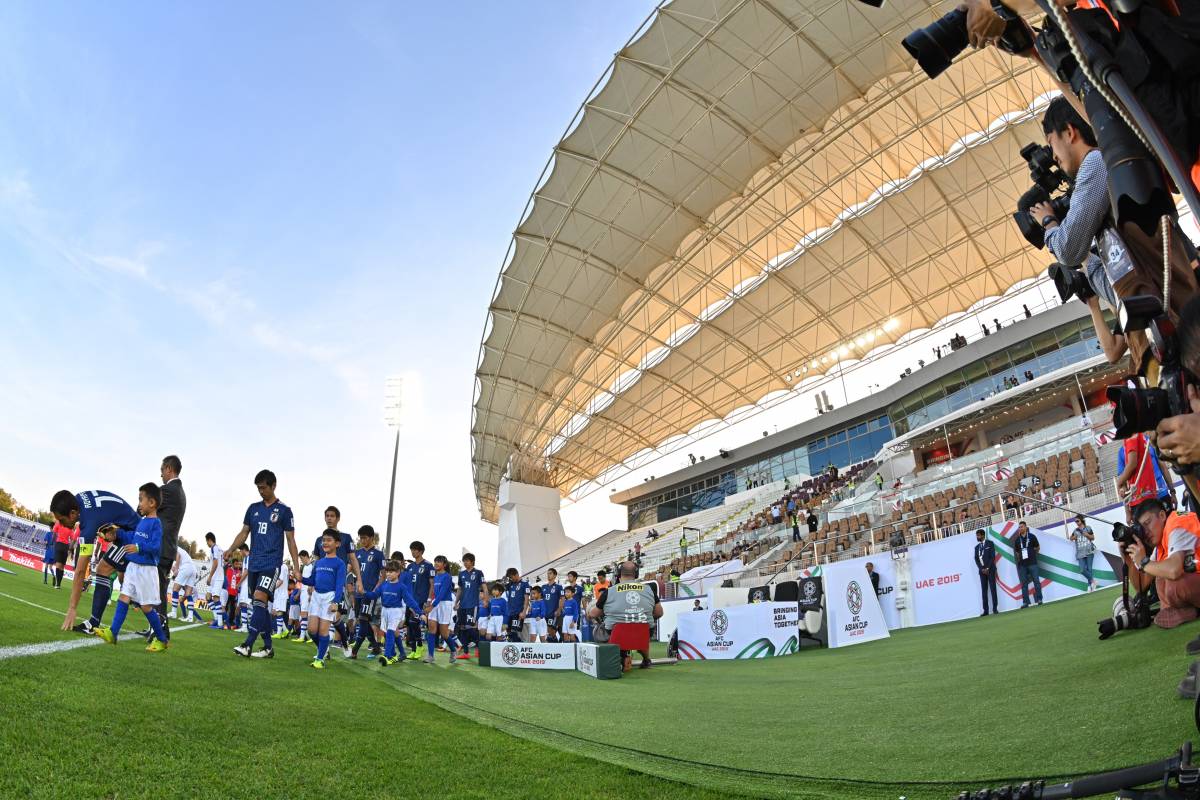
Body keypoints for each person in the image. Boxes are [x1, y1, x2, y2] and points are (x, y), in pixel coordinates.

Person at [225, 469, 300, 659]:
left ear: (273, 486)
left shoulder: (284, 511)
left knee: (259, 597)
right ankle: (268, 647)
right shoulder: (253, 508)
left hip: (271, 563)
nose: (261, 491)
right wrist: (230, 549)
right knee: (260, 604)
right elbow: (244, 533)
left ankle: (248, 644)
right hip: (254, 564)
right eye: (258, 488)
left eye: (264, 488)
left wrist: (297, 567)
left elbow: (291, 541)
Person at [51, 488, 141, 634]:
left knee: (103, 570)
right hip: (128, 532)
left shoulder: (88, 523)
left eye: (62, 520)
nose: (60, 524)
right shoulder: (78, 500)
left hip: (134, 536)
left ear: (73, 513)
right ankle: (95, 622)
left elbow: (80, 571)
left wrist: (72, 608)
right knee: (118, 576)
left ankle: (94, 623)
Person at [95, 483, 170, 652]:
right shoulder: (142, 522)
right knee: (123, 597)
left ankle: (162, 639)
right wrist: (115, 534)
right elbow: (132, 536)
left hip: (146, 570)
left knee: (146, 607)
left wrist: (139, 548)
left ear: (152, 503)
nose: (139, 504)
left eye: (141, 500)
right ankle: (112, 633)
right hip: (133, 567)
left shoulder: (155, 523)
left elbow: (156, 546)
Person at [589, 560, 662, 672]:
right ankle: (646, 659)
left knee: (600, 627)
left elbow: (593, 614)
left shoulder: (609, 591)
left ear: (618, 574)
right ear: (636, 574)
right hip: (643, 633)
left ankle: (619, 656)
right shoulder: (649, 589)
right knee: (642, 628)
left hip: (617, 633)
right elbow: (659, 613)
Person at [358, 559, 421, 666]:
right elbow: (374, 595)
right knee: (390, 633)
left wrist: (420, 612)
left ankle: (387, 655)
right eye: (387, 571)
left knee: (391, 632)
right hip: (385, 611)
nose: (388, 574)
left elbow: (409, 600)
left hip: (396, 611)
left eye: (391, 572)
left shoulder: (402, 587)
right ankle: (401, 653)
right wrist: (364, 593)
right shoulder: (383, 585)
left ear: (398, 572)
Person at [301, 530, 347, 669]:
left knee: (323, 631)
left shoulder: (340, 563)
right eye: (324, 540)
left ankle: (320, 660)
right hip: (316, 597)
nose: (325, 543)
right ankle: (324, 649)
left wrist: (336, 602)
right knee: (311, 630)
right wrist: (300, 578)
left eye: (329, 540)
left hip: (330, 597)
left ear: (337, 543)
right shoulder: (319, 562)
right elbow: (312, 581)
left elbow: (340, 585)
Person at [153, 455, 186, 643]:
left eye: (161, 469)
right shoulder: (180, 492)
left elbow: (146, 507)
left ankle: (161, 632)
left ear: (168, 469)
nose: (160, 474)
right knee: (156, 589)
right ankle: (155, 628)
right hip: (168, 547)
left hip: (160, 547)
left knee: (156, 591)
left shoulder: (168, 490)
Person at [350, 525, 385, 659]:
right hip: (358, 593)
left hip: (370, 593)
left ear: (371, 538)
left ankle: (355, 650)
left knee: (363, 619)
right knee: (363, 621)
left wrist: (375, 590)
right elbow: (351, 569)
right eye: (361, 538)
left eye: (364, 538)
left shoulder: (378, 554)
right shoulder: (357, 553)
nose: (362, 540)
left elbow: (383, 575)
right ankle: (376, 647)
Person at [422, 555, 463, 664]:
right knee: (431, 629)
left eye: (439, 562)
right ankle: (430, 655)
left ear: (444, 564)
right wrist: (429, 601)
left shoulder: (447, 577)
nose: (436, 563)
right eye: (435, 561)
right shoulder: (435, 576)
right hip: (435, 604)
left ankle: (453, 650)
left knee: (444, 634)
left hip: (444, 604)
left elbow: (443, 593)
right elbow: (434, 592)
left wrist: (432, 605)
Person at [403, 541, 433, 659]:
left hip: (421, 600)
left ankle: (419, 646)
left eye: (415, 550)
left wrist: (429, 599)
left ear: (420, 551)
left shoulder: (428, 565)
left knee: (413, 623)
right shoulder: (409, 567)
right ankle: (414, 650)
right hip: (410, 600)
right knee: (410, 625)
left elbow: (432, 584)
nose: (413, 552)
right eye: (411, 549)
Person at [455, 552, 485, 659]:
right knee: (462, 628)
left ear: (472, 561)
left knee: (470, 627)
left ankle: (479, 649)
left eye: (467, 561)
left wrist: (486, 600)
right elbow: (460, 589)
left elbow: (484, 587)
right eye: (464, 561)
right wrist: (456, 602)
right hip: (462, 605)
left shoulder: (478, 573)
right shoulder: (461, 574)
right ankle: (466, 653)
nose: (465, 563)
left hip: (472, 605)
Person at [1011, 521, 1042, 608]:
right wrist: (1020, 559)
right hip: (1022, 565)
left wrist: (1032, 554)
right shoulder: (1017, 540)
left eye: (1022, 527)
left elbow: (1038, 547)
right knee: (1024, 584)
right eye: (1019, 527)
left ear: (1026, 527)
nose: (1020, 528)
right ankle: (1025, 602)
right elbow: (1017, 552)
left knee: (1036, 582)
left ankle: (1039, 599)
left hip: (1032, 563)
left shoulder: (1032, 537)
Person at [203, 532, 226, 629]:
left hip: (217, 577)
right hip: (216, 576)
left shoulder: (214, 548)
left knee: (215, 597)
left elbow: (216, 563)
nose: (206, 544)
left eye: (206, 541)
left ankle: (220, 623)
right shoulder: (219, 548)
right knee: (208, 597)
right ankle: (217, 618)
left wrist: (210, 576)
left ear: (209, 540)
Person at [974, 529, 998, 616]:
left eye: (978, 535)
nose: (977, 537)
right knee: (984, 591)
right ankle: (986, 611)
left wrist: (988, 568)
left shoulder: (990, 543)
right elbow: (976, 559)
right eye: (977, 536)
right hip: (982, 572)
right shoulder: (976, 548)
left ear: (983, 535)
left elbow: (992, 556)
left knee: (993, 589)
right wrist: (982, 569)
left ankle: (995, 608)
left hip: (990, 570)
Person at [1069, 515, 1097, 591]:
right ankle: (1093, 581)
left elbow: (1093, 538)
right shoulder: (1076, 530)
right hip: (1080, 552)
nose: (1076, 523)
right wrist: (1073, 538)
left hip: (1089, 550)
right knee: (1082, 570)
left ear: (1082, 520)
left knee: (1089, 568)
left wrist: (1087, 535)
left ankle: (1090, 586)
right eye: (1075, 521)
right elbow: (1070, 538)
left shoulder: (1088, 528)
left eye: (1077, 521)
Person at [504, 567, 531, 643]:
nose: (511, 579)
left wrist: (524, 611)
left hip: (519, 613)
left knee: (517, 633)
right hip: (510, 612)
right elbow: (503, 586)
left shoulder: (525, 584)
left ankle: (522, 649)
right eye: (509, 578)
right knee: (510, 633)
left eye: (511, 577)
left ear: (516, 575)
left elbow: (526, 599)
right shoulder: (510, 585)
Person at [541, 567, 563, 644]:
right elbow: (541, 600)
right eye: (547, 574)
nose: (548, 575)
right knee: (549, 631)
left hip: (554, 613)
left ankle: (557, 644)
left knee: (551, 631)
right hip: (545, 613)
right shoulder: (543, 587)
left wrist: (559, 609)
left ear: (555, 575)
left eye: (550, 573)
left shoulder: (559, 587)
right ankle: (556, 644)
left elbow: (562, 599)